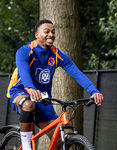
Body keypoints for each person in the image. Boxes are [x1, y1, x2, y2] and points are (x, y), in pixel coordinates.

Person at [9, 19, 104, 150]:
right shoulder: (24, 51)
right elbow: (24, 73)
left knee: (58, 140)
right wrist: (31, 89)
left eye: (53, 32)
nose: (51, 34)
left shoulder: (57, 55)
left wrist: (93, 91)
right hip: (22, 92)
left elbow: (77, 74)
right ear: (37, 35)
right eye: (46, 31)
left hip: (43, 98)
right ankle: (26, 146)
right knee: (28, 103)